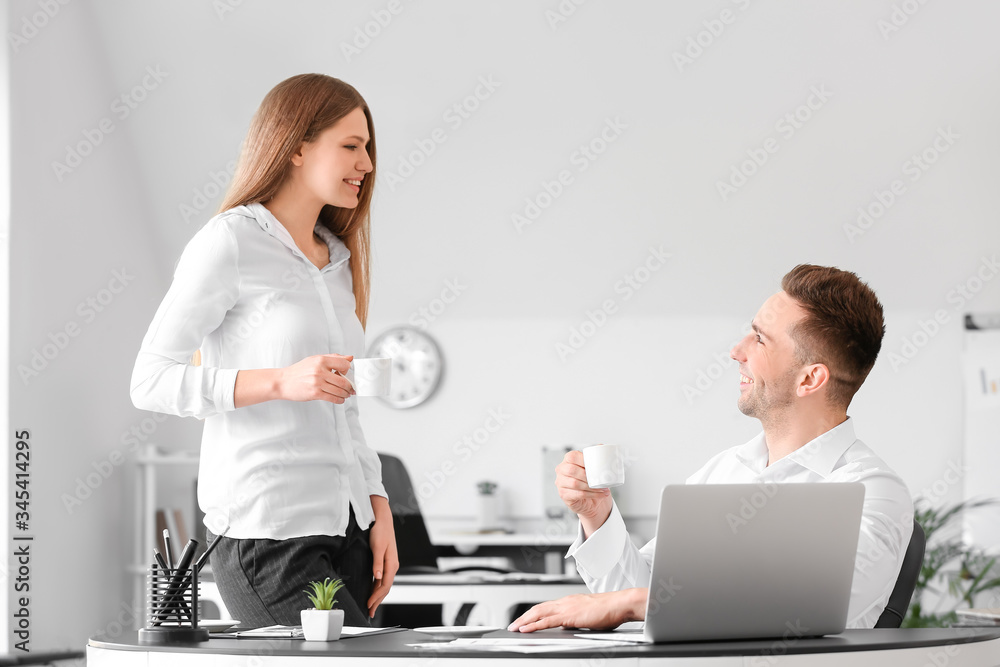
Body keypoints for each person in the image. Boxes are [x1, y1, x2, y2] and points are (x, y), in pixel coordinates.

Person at [509, 264, 913, 632]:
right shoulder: (724, 470)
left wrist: (632, 603)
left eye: (760, 339)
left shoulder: (872, 490)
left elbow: (813, 603)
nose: (736, 351)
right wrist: (597, 514)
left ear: (809, 379)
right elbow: (641, 596)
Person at [130, 74, 398, 628]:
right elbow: (150, 381)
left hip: (349, 532)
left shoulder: (338, 259)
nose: (367, 163)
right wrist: (279, 381)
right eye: (351, 145)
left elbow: (345, 409)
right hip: (267, 537)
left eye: (368, 147)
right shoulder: (229, 242)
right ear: (296, 147)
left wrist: (378, 506)